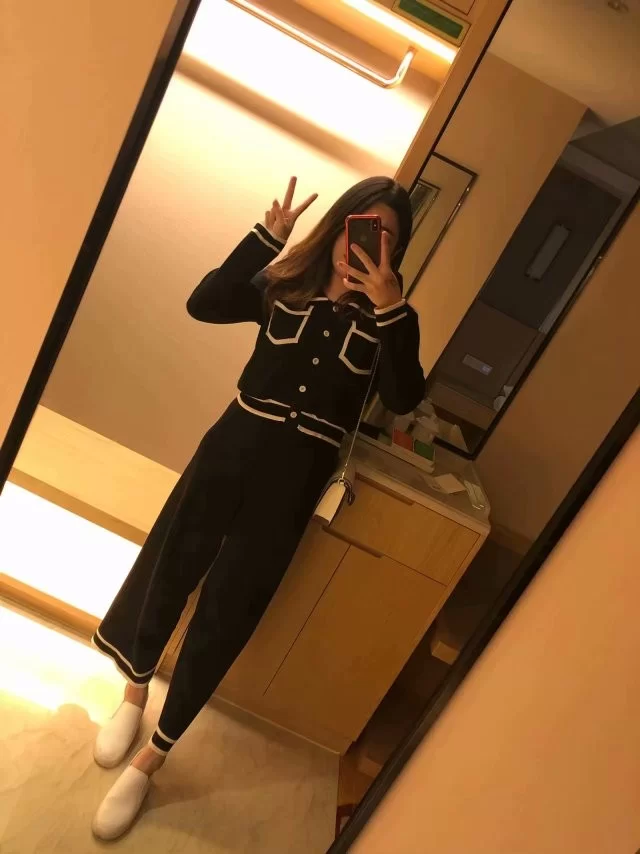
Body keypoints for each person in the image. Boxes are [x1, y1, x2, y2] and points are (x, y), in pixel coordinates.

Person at [91, 175, 425, 839]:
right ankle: (134, 687)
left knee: (230, 608)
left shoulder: (389, 320)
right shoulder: (286, 284)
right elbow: (206, 302)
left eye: (385, 234)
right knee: (171, 566)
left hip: (294, 481)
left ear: (396, 249)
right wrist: (265, 239)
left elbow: (404, 394)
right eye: (361, 224)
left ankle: (154, 755)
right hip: (230, 448)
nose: (368, 241)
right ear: (339, 224)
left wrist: (392, 308)